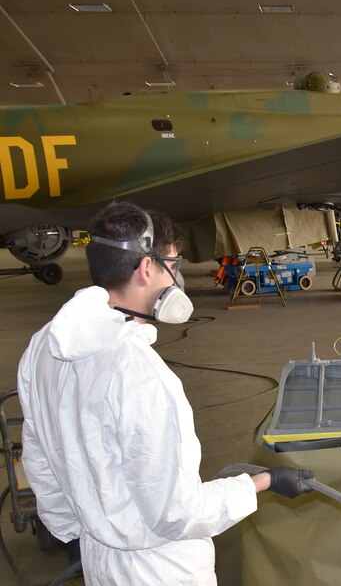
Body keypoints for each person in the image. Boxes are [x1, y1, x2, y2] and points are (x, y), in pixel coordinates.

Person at [18, 201, 306, 585]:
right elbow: (178, 514)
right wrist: (263, 482)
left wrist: (75, 530)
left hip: (98, 560)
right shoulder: (140, 376)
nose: (175, 278)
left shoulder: (43, 346)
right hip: (159, 570)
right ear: (146, 268)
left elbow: (37, 458)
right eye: (173, 265)